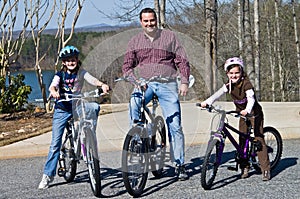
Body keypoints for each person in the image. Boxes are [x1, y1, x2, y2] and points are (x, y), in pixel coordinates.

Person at [122, 7, 190, 181]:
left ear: (156, 20)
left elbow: (181, 60)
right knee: (134, 101)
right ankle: (137, 137)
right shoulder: (135, 41)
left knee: (175, 126)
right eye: (146, 21)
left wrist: (184, 81)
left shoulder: (169, 37)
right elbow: (127, 67)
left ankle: (180, 164)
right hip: (146, 84)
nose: (149, 23)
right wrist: (135, 82)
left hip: (167, 84)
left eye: (152, 20)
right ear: (141, 22)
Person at [38, 45, 109, 189]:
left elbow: (92, 80)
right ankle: (48, 175)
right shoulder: (60, 75)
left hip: (77, 106)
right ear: (63, 62)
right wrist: (54, 91)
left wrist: (102, 85)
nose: (71, 62)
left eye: (73, 60)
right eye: (68, 60)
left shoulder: (81, 73)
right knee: (55, 144)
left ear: (77, 60)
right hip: (62, 109)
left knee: (94, 107)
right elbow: (53, 86)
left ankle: (88, 137)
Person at [199, 57, 271, 181]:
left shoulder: (246, 84)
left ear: (242, 72)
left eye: (237, 72)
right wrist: (206, 102)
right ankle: (245, 167)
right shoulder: (229, 85)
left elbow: (251, 98)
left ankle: (265, 169)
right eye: (231, 73)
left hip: (254, 113)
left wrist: (247, 110)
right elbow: (218, 94)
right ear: (227, 74)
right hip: (241, 114)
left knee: (258, 138)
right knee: (242, 138)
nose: (234, 75)